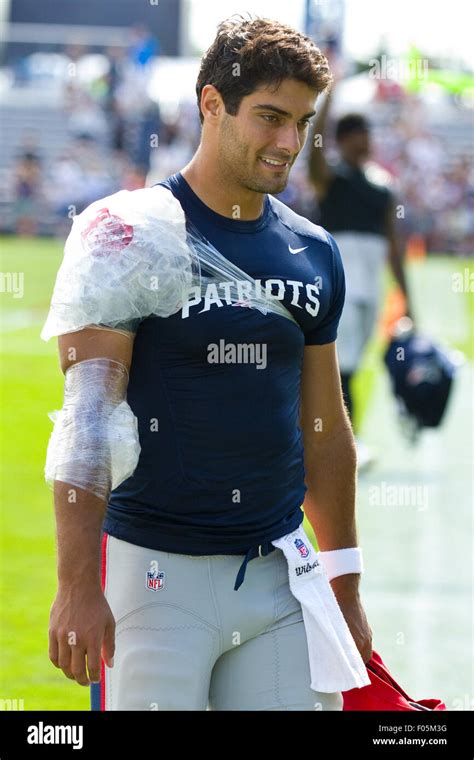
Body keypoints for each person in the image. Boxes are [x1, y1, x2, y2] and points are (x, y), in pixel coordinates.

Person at [47, 15, 372, 711]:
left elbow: (324, 431)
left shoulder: (314, 250)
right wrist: (76, 585)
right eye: (270, 117)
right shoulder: (128, 230)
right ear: (211, 105)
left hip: (282, 576)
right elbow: (88, 422)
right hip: (155, 578)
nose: (288, 143)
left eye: (302, 122)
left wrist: (346, 586)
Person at [308, 79, 413, 468]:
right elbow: (314, 155)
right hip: (341, 287)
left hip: (371, 288)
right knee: (343, 367)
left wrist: (407, 299)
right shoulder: (332, 180)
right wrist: (327, 103)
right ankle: (346, 442)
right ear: (344, 139)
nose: (367, 141)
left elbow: (394, 246)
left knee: (352, 365)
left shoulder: (383, 187)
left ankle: (341, 439)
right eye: (360, 134)